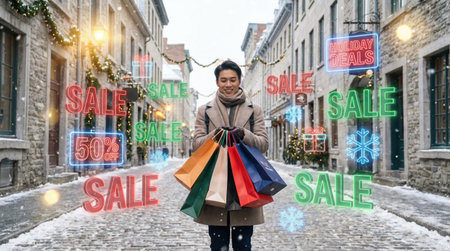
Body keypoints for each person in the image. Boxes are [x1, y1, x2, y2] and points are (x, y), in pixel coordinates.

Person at [192, 60, 269, 251]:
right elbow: (196, 145)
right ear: (217, 82)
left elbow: (264, 144)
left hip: (245, 184)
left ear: (239, 80)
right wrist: (215, 135)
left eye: (232, 80)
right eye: (223, 80)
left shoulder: (254, 110)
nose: (228, 85)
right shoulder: (204, 110)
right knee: (218, 244)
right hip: (215, 183)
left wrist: (245, 135)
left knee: (243, 244)